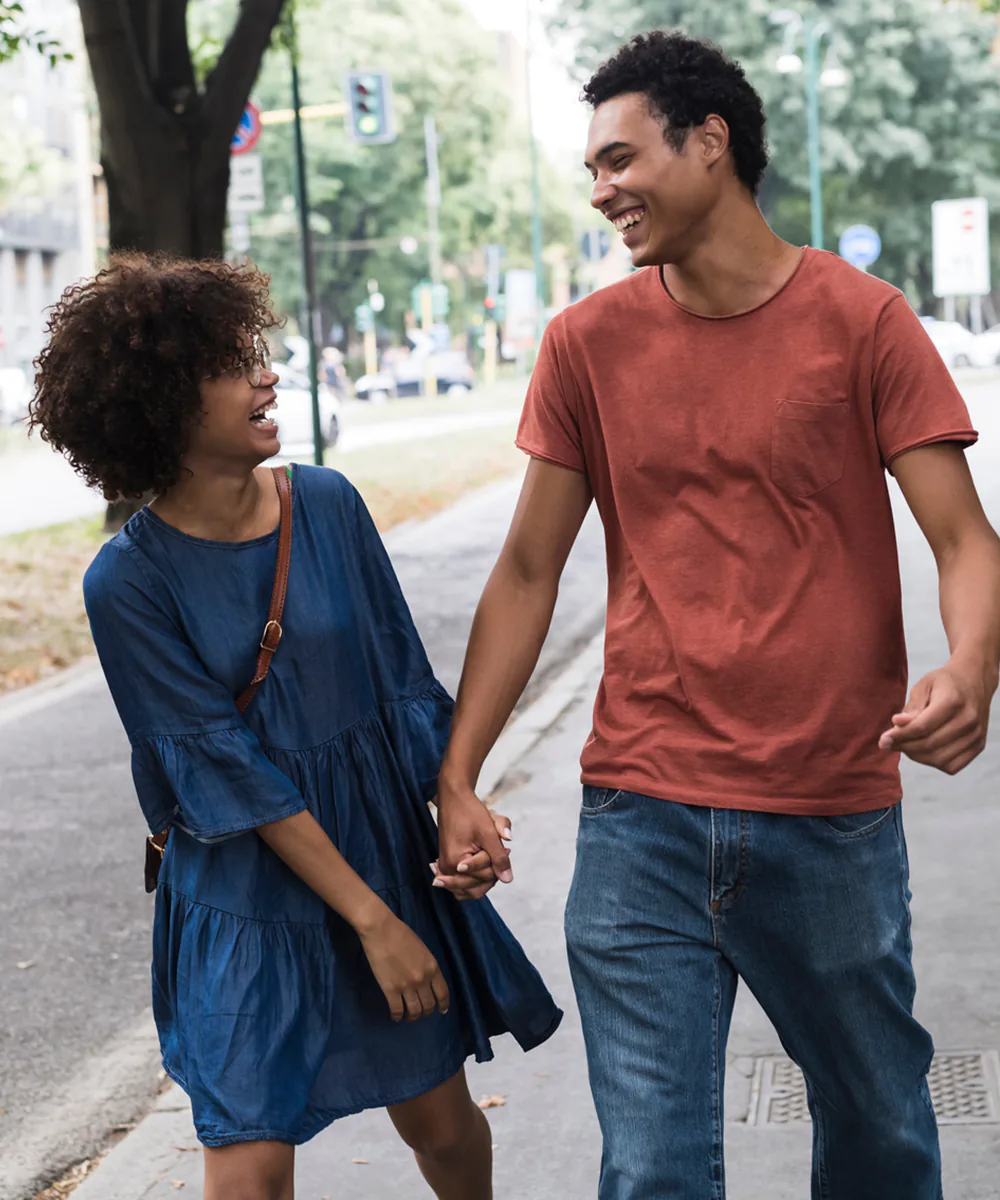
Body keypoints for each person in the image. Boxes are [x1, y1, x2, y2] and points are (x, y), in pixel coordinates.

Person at [431, 30, 1000, 1200]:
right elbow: (528, 570)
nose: (600, 191)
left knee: (881, 1131)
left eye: (619, 158)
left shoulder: (863, 321)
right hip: (641, 809)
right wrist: (459, 774)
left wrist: (973, 667)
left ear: (710, 142)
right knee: (650, 1170)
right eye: (589, 168)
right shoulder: (584, 347)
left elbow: (962, 537)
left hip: (828, 811)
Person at [29, 255, 561, 1200]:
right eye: (234, 364)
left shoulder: (329, 505)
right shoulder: (128, 583)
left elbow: (402, 686)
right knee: (249, 1154)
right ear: (159, 403)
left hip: (379, 851)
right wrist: (370, 922)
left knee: (442, 1125)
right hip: (246, 889)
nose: (267, 375)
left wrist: (457, 801)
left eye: (258, 353)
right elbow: (222, 768)